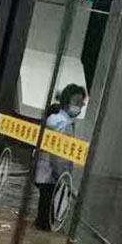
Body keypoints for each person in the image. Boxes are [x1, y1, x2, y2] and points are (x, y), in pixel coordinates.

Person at [34, 83, 86, 231]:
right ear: (66, 101)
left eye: (81, 103)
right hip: (52, 178)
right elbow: (59, 157)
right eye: (77, 103)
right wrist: (65, 180)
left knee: (42, 217)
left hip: (43, 175)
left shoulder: (53, 119)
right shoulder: (64, 124)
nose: (79, 107)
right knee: (47, 223)